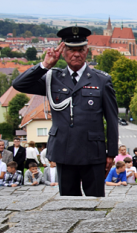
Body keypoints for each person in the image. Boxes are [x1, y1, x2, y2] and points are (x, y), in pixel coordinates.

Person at [12, 26, 119, 196]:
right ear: (63, 52)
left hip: (93, 152)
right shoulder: (52, 78)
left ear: (87, 51)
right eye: (71, 50)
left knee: (96, 202)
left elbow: (112, 119)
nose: (76, 54)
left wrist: (111, 153)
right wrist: (44, 65)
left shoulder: (102, 80)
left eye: (80, 50)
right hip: (64, 151)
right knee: (68, 204)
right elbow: (19, 84)